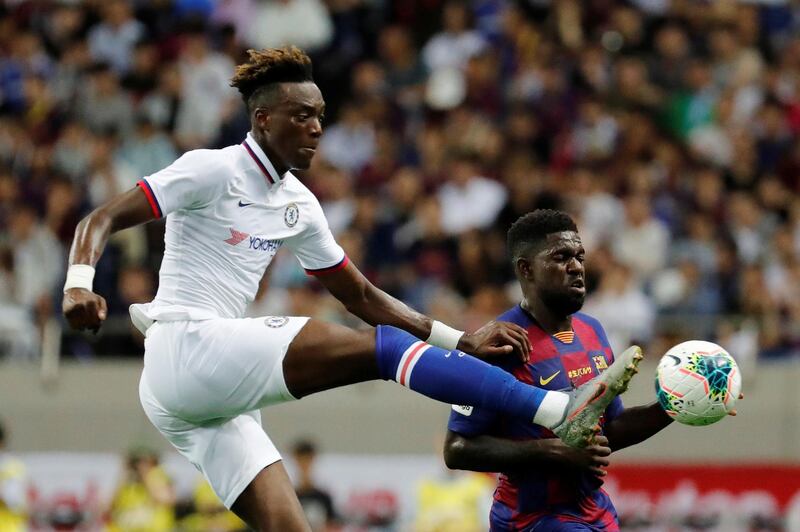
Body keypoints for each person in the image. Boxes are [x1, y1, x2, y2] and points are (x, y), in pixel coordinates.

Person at [62, 47, 641, 531]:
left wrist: (459, 341)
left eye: (321, 116)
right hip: (185, 348)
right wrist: (79, 284)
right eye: (302, 115)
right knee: (381, 350)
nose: (317, 127)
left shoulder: (299, 205)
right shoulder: (211, 170)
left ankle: (549, 406)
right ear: (263, 120)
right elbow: (100, 219)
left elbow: (362, 297)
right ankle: (552, 408)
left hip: (200, 402)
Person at [443, 209, 673, 531]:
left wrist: (675, 405)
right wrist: (552, 451)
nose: (577, 267)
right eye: (561, 257)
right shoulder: (497, 343)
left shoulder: (593, 331)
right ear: (527, 269)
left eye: (580, 256)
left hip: (596, 512)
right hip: (531, 519)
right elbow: (456, 450)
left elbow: (610, 428)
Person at [291, 440, 338, 531]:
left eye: (307, 459)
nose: (304, 464)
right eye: (301, 459)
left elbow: (332, 525)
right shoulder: (291, 496)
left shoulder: (323, 498)